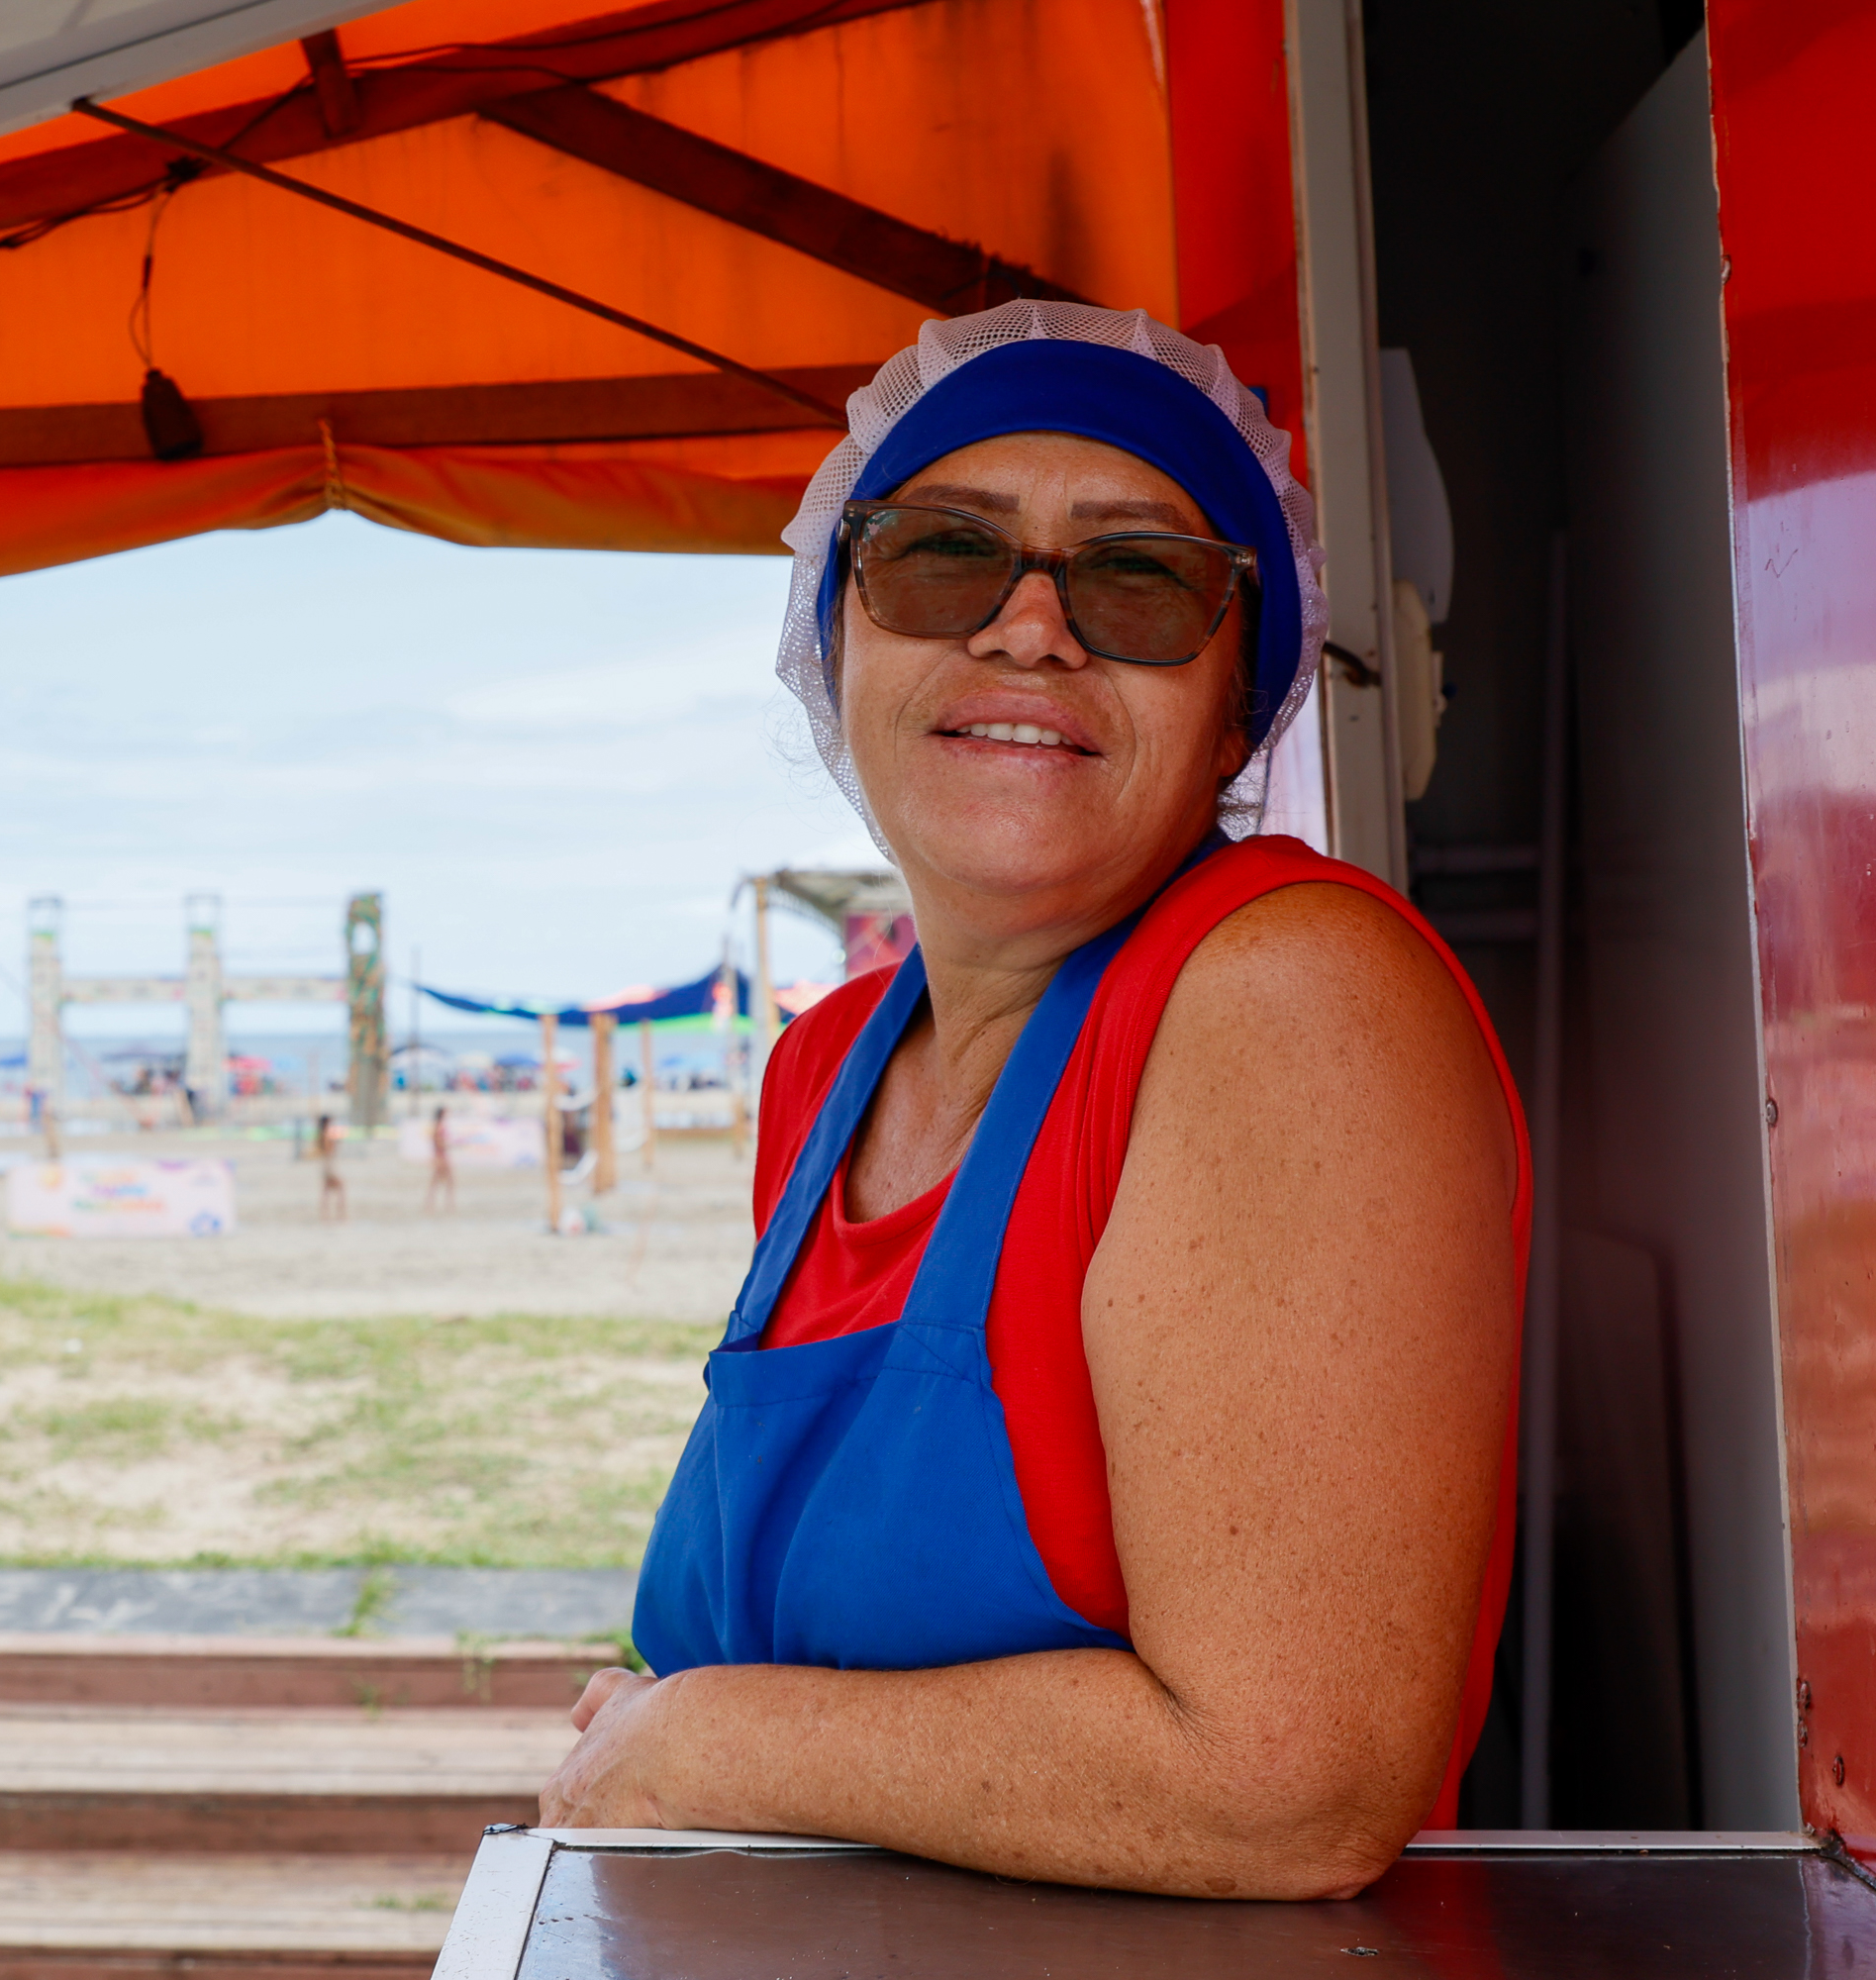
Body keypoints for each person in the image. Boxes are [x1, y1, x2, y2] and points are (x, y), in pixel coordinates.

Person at [543, 303, 1526, 1901]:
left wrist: (707, 1744)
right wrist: (666, 1719)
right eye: (943, 557)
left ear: (1233, 708)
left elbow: (1296, 1779)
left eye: (1139, 577)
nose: (1030, 630)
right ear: (835, 639)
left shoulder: (1288, 1002)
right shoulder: (825, 1072)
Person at [425, 1104, 456, 1215]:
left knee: (437, 1182)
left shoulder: (437, 1126)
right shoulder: (439, 1127)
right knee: (446, 1181)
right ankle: (448, 1205)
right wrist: (448, 1146)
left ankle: (431, 1204)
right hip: (441, 1156)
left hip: (439, 1156)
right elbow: (438, 1142)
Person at [315, 1113, 346, 1223]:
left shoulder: (321, 1135)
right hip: (330, 1165)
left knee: (326, 1191)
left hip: (326, 1164)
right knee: (340, 1188)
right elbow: (330, 1150)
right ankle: (340, 1215)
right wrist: (336, 1142)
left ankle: (325, 1215)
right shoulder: (326, 1136)